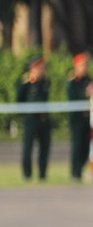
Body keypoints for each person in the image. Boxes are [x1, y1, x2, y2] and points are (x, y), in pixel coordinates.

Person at [16, 53, 52, 182]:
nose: (43, 70)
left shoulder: (45, 81)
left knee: (45, 147)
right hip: (30, 119)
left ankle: (42, 174)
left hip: (43, 118)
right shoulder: (25, 82)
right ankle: (27, 174)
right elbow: (19, 99)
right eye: (40, 67)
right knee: (28, 147)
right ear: (33, 67)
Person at [65, 53, 93, 182]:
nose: (86, 67)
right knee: (77, 145)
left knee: (86, 145)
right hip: (77, 118)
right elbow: (73, 96)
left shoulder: (88, 79)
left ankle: (80, 169)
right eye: (83, 65)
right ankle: (75, 173)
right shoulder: (73, 81)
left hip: (87, 117)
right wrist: (86, 93)